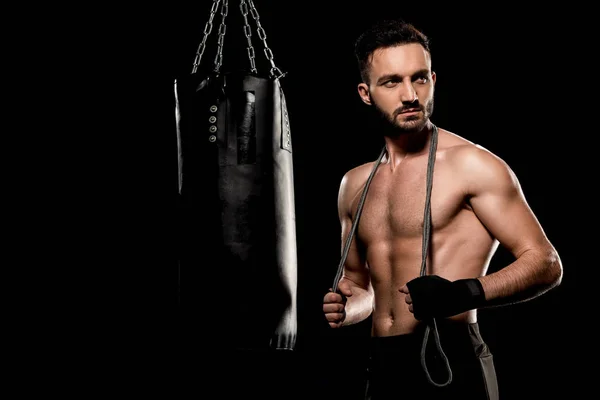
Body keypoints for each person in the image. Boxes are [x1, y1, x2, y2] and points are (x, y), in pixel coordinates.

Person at [322, 18, 563, 400]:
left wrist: (464, 292)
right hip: (382, 363)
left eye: (419, 78)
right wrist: (348, 307)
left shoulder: (473, 165)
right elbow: (359, 285)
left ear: (433, 78)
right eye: (391, 82)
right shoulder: (355, 183)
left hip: (452, 357)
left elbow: (546, 263)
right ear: (365, 93)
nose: (410, 95)